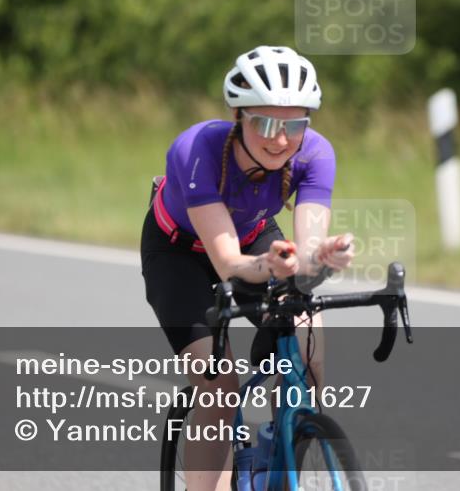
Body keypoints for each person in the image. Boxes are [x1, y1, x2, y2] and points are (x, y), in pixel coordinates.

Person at [140, 45, 354, 491]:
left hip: (256, 234)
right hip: (180, 252)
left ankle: (285, 445)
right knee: (219, 387)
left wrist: (322, 257)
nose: (280, 139)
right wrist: (273, 265)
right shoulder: (196, 148)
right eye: (266, 123)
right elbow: (230, 262)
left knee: (308, 346)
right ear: (240, 117)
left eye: (294, 124)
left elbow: (305, 253)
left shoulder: (315, 154)